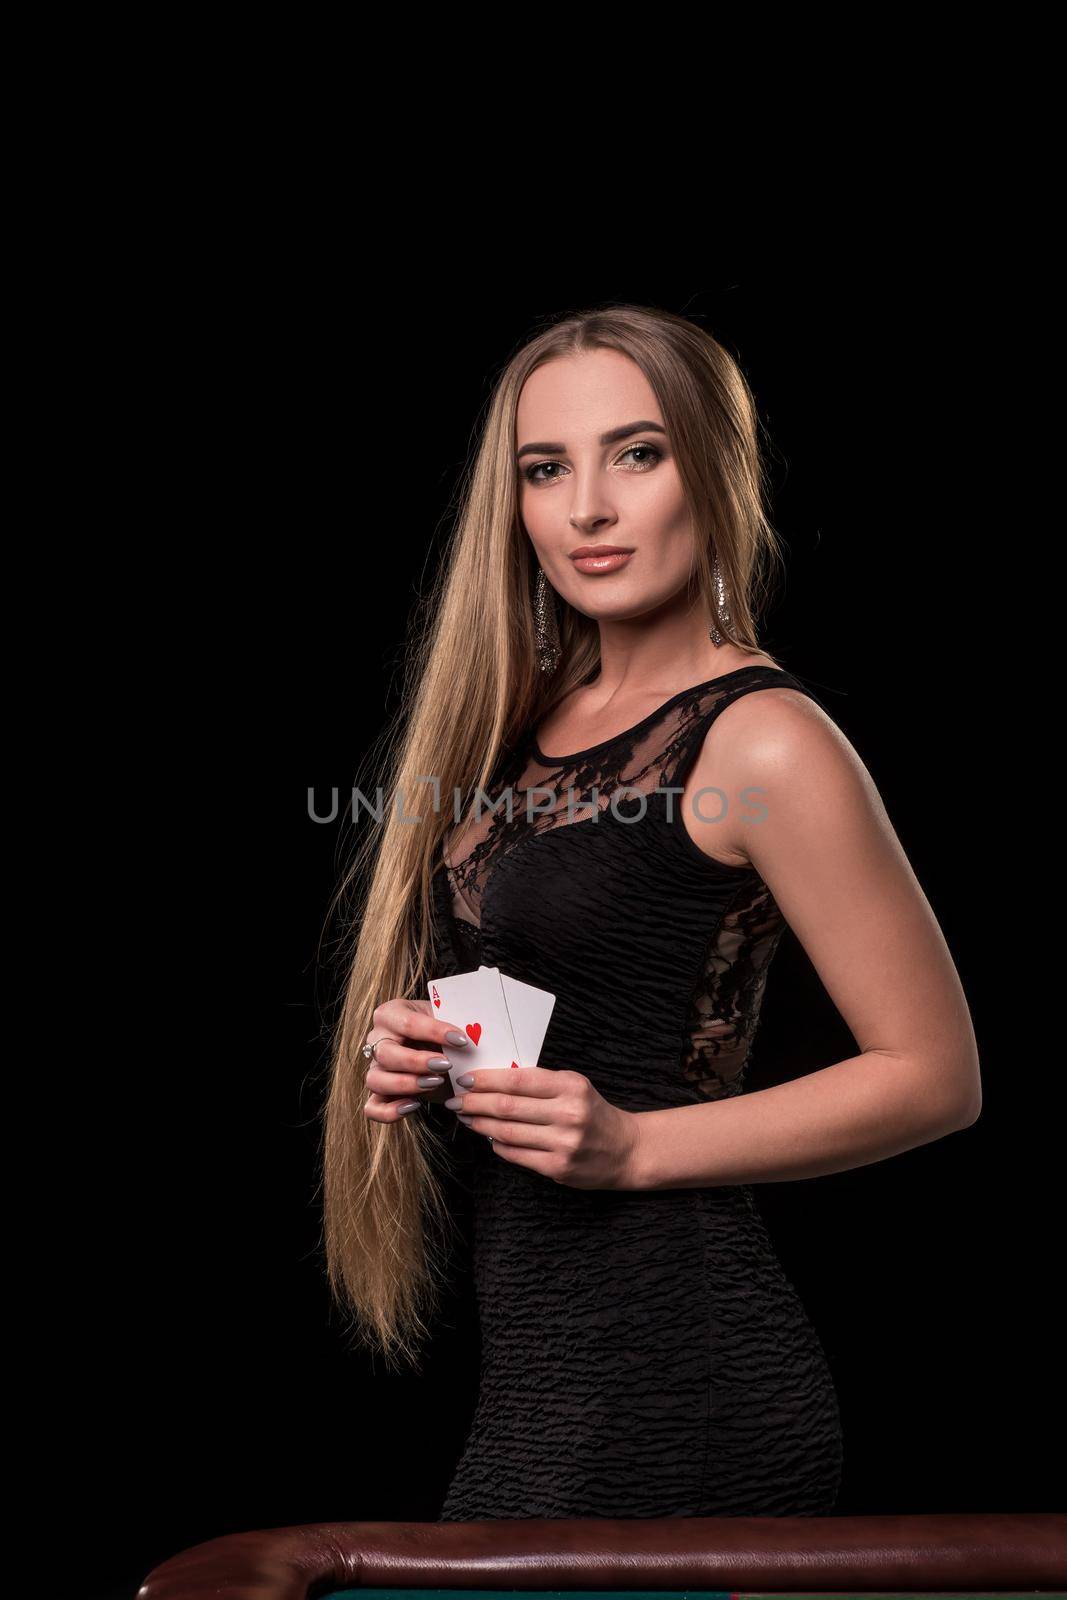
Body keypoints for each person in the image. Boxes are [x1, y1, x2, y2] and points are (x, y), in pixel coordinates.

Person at [321, 303, 981, 1519]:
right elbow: (560, 995)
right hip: (541, 1369)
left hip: (681, 1371)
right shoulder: (512, 731)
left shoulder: (763, 739)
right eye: (543, 468)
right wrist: (420, 1049)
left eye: (635, 452)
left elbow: (935, 1075)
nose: (585, 508)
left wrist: (631, 1145)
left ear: (710, 469)